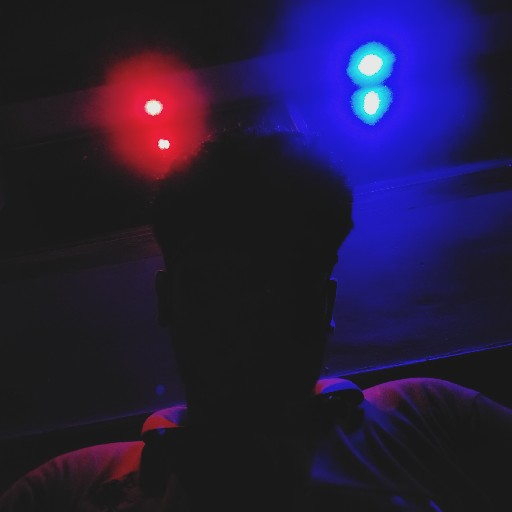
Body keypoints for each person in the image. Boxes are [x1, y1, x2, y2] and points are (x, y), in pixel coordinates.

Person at [1, 129, 511, 511]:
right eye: (219, 282)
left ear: (325, 303)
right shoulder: (69, 488)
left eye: (286, 283)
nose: (252, 314)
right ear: (168, 298)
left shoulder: (431, 418)